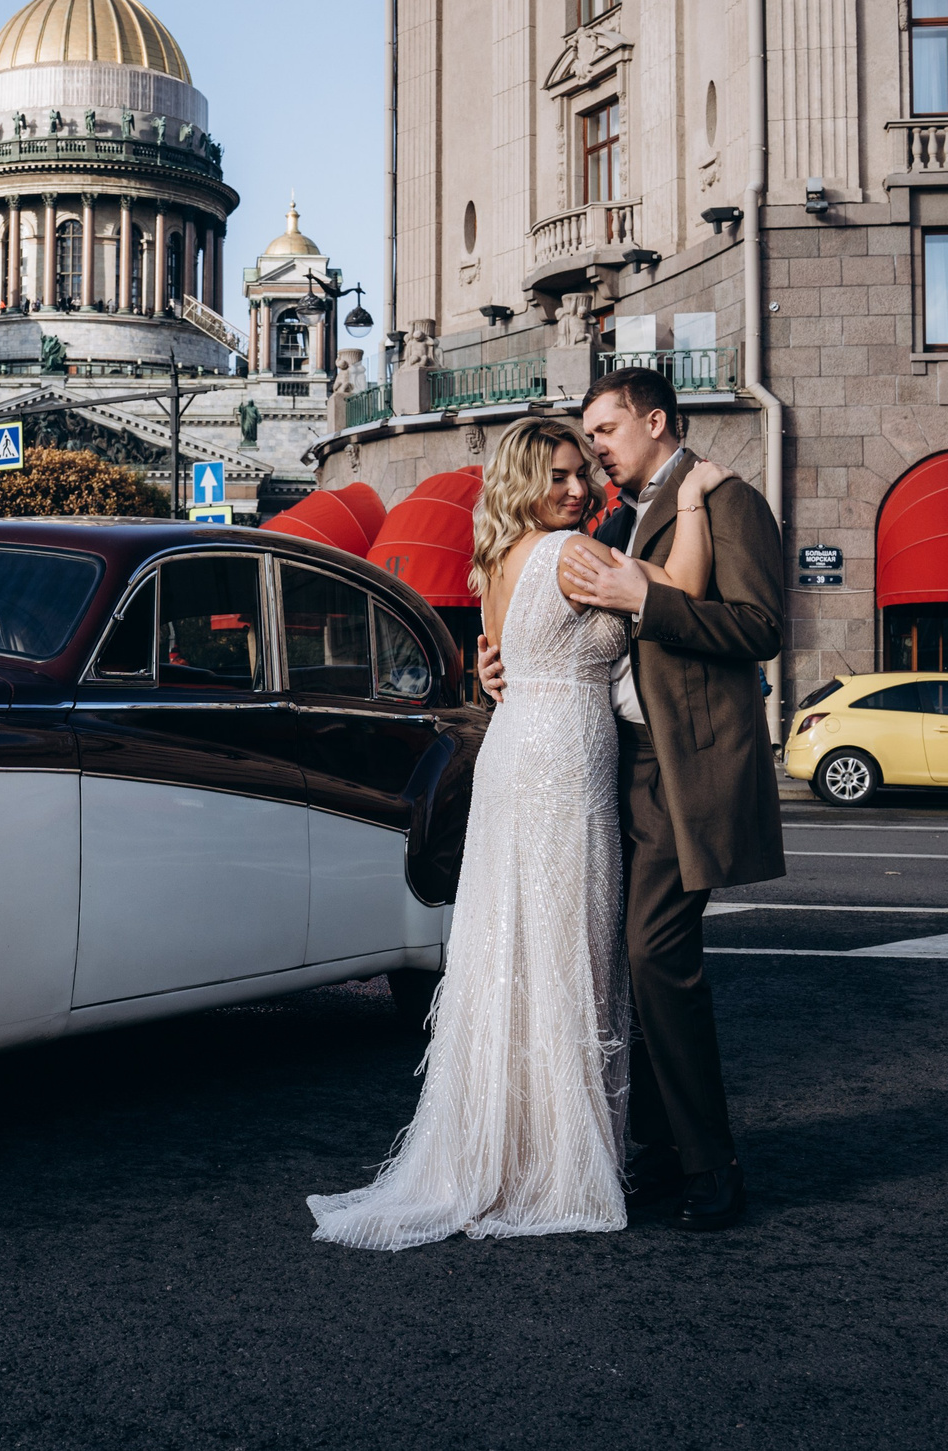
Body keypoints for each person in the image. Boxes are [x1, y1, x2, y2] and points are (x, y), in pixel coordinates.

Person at [307, 419, 727, 1250]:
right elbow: (680, 584)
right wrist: (699, 497)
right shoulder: (572, 554)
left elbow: (497, 655)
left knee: (515, 952)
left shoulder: (496, 557)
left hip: (518, 745)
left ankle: (512, 1142)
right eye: (560, 475)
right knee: (566, 950)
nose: (577, 490)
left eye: (582, 474)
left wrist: (495, 672)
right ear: (526, 480)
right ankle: (553, 1159)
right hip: (562, 762)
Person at [481, 365, 786, 1233]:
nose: (596, 455)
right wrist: (494, 659)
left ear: (655, 421)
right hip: (602, 764)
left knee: (655, 958)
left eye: (605, 434)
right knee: (613, 962)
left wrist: (649, 600)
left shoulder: (725, 499)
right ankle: (649, 1147)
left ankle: (710, 1165)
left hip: (682, 768)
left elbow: (761, 627)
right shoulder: (625, 511)